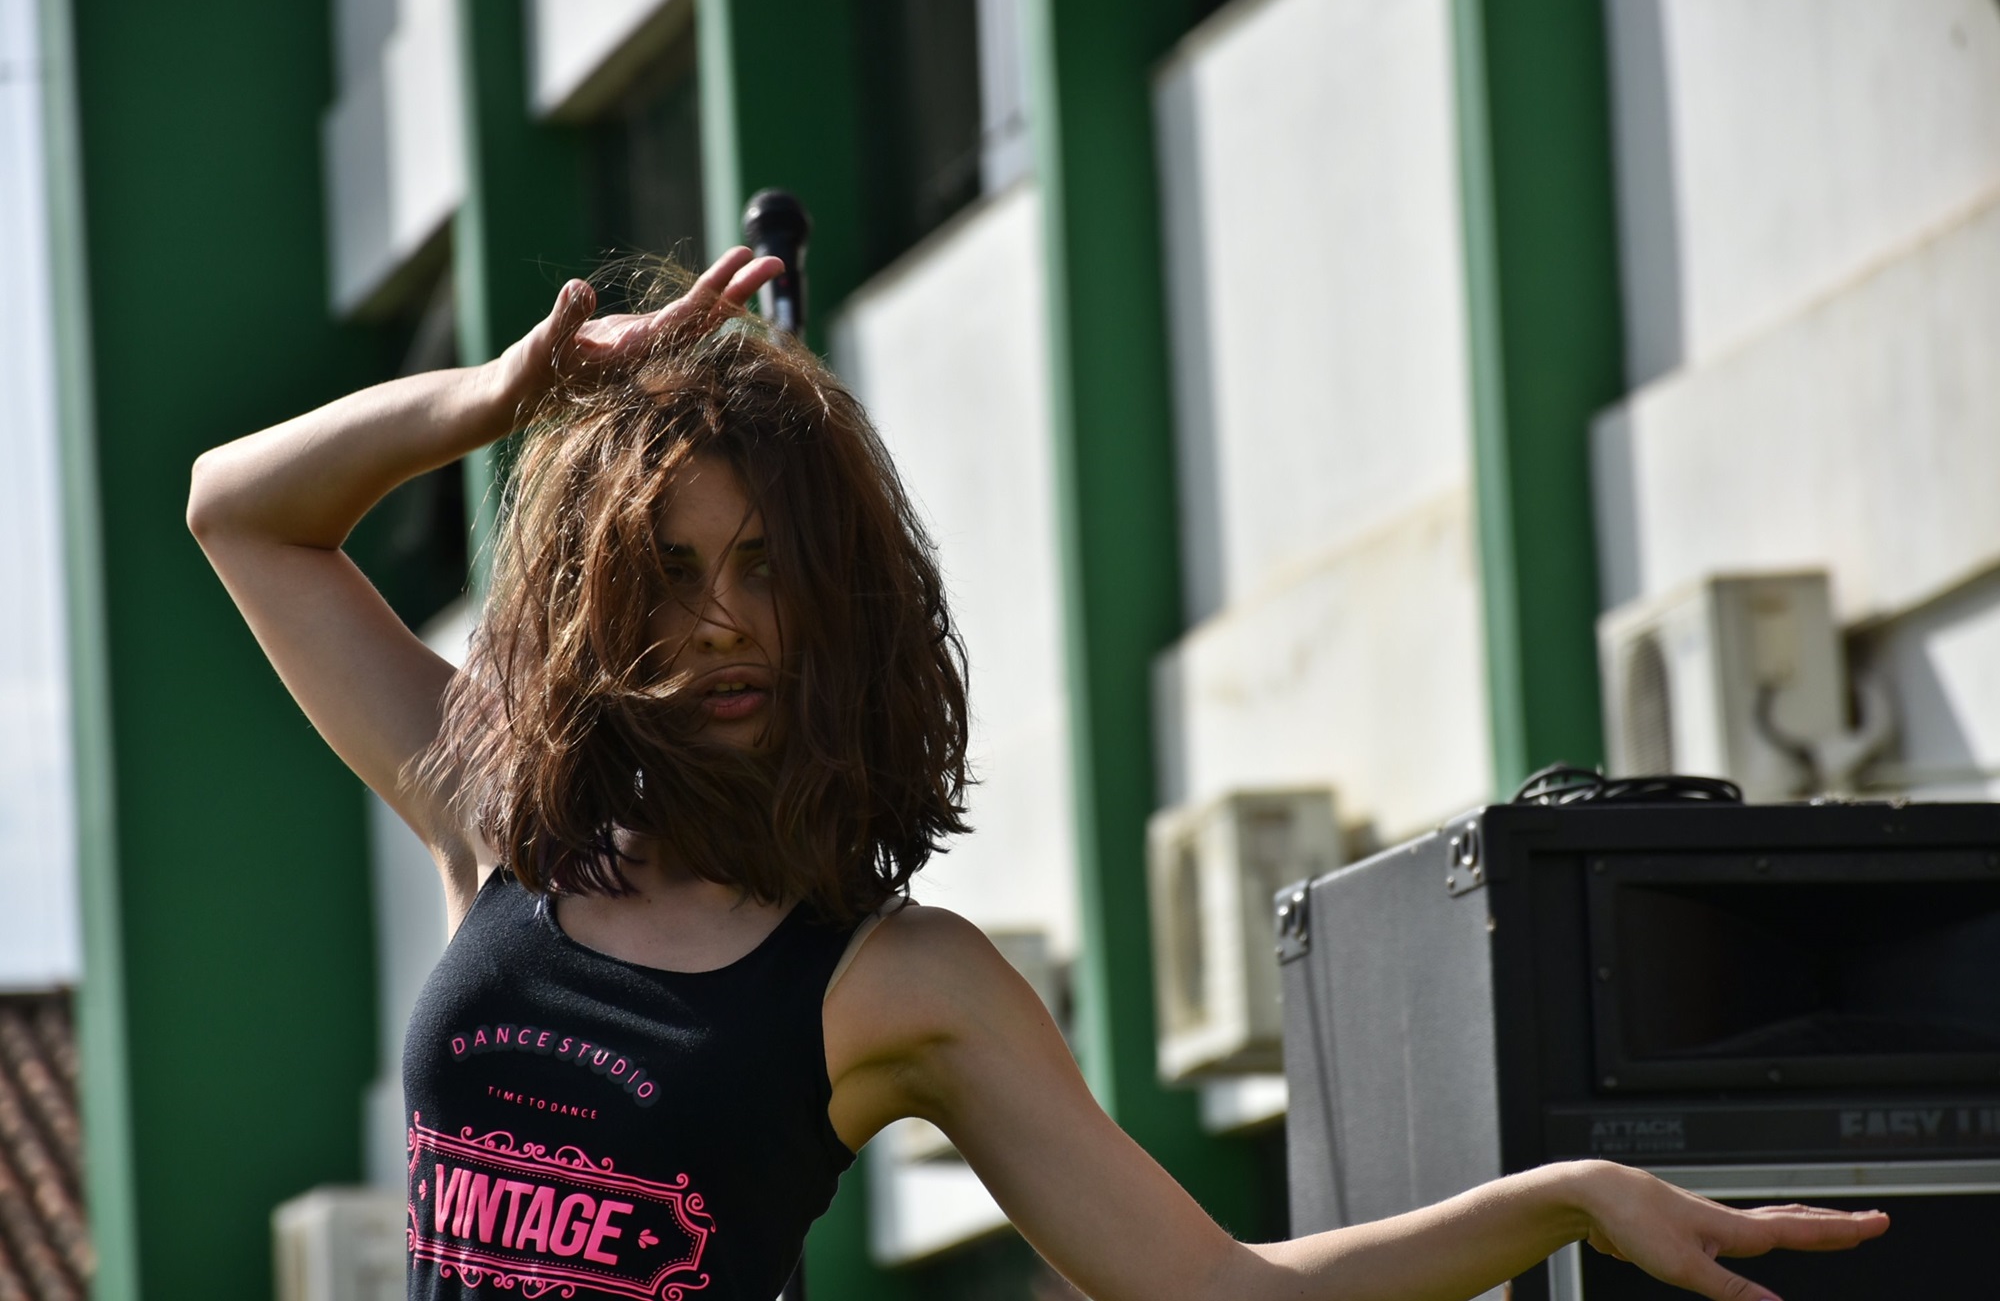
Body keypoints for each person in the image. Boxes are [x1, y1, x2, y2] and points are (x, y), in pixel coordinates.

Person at [189, 248, 1887, 1301]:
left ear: (837, 600)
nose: (722, 623)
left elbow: (1219, 1291)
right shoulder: (499, 813)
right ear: (603, 600)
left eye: (767, 566)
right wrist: (508, 396)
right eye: (673, 572)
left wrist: (1564, 1202)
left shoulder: (902, 983)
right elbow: (241, 513)